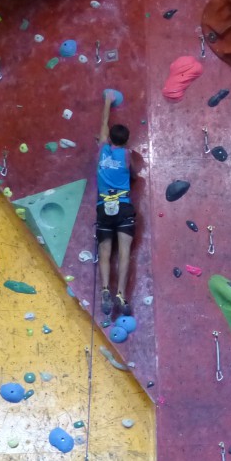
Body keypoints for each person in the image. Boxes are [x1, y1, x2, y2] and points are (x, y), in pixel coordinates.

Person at [95, 90, 135, 318]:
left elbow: (103, 123)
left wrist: (108, 101)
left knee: (105, 251)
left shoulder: (102, 148)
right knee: (124, 252)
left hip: (104, 206)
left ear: (109, 138)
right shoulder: (127, 156)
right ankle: (121, 293)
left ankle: (104, 289)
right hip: (124, 206)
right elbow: (133, 173)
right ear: (126, 141)